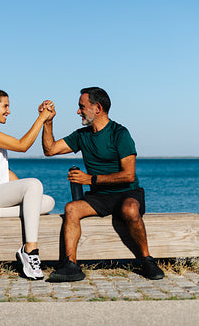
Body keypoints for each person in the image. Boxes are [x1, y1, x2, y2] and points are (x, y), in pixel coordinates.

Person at [41, 87, 165, 281]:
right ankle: (71, 265)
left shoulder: (120, 133)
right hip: (100, 196)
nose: (78, 111)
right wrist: (48, 121)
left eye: (82, 107)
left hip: (127, 192)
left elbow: (129, 175)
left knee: (130, 210)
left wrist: (90, 179)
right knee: (72, 209)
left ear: (97, 108)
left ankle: (146, 259)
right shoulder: (82, 135)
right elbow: (50, 150)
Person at [0, 89, 56, 280]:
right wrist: (41, 118)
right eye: (5, 106)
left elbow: (4, 174)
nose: (8, 111)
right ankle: (30, 251)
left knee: (47, 202)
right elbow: (22, 145)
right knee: (34, 184)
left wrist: (28, 194)